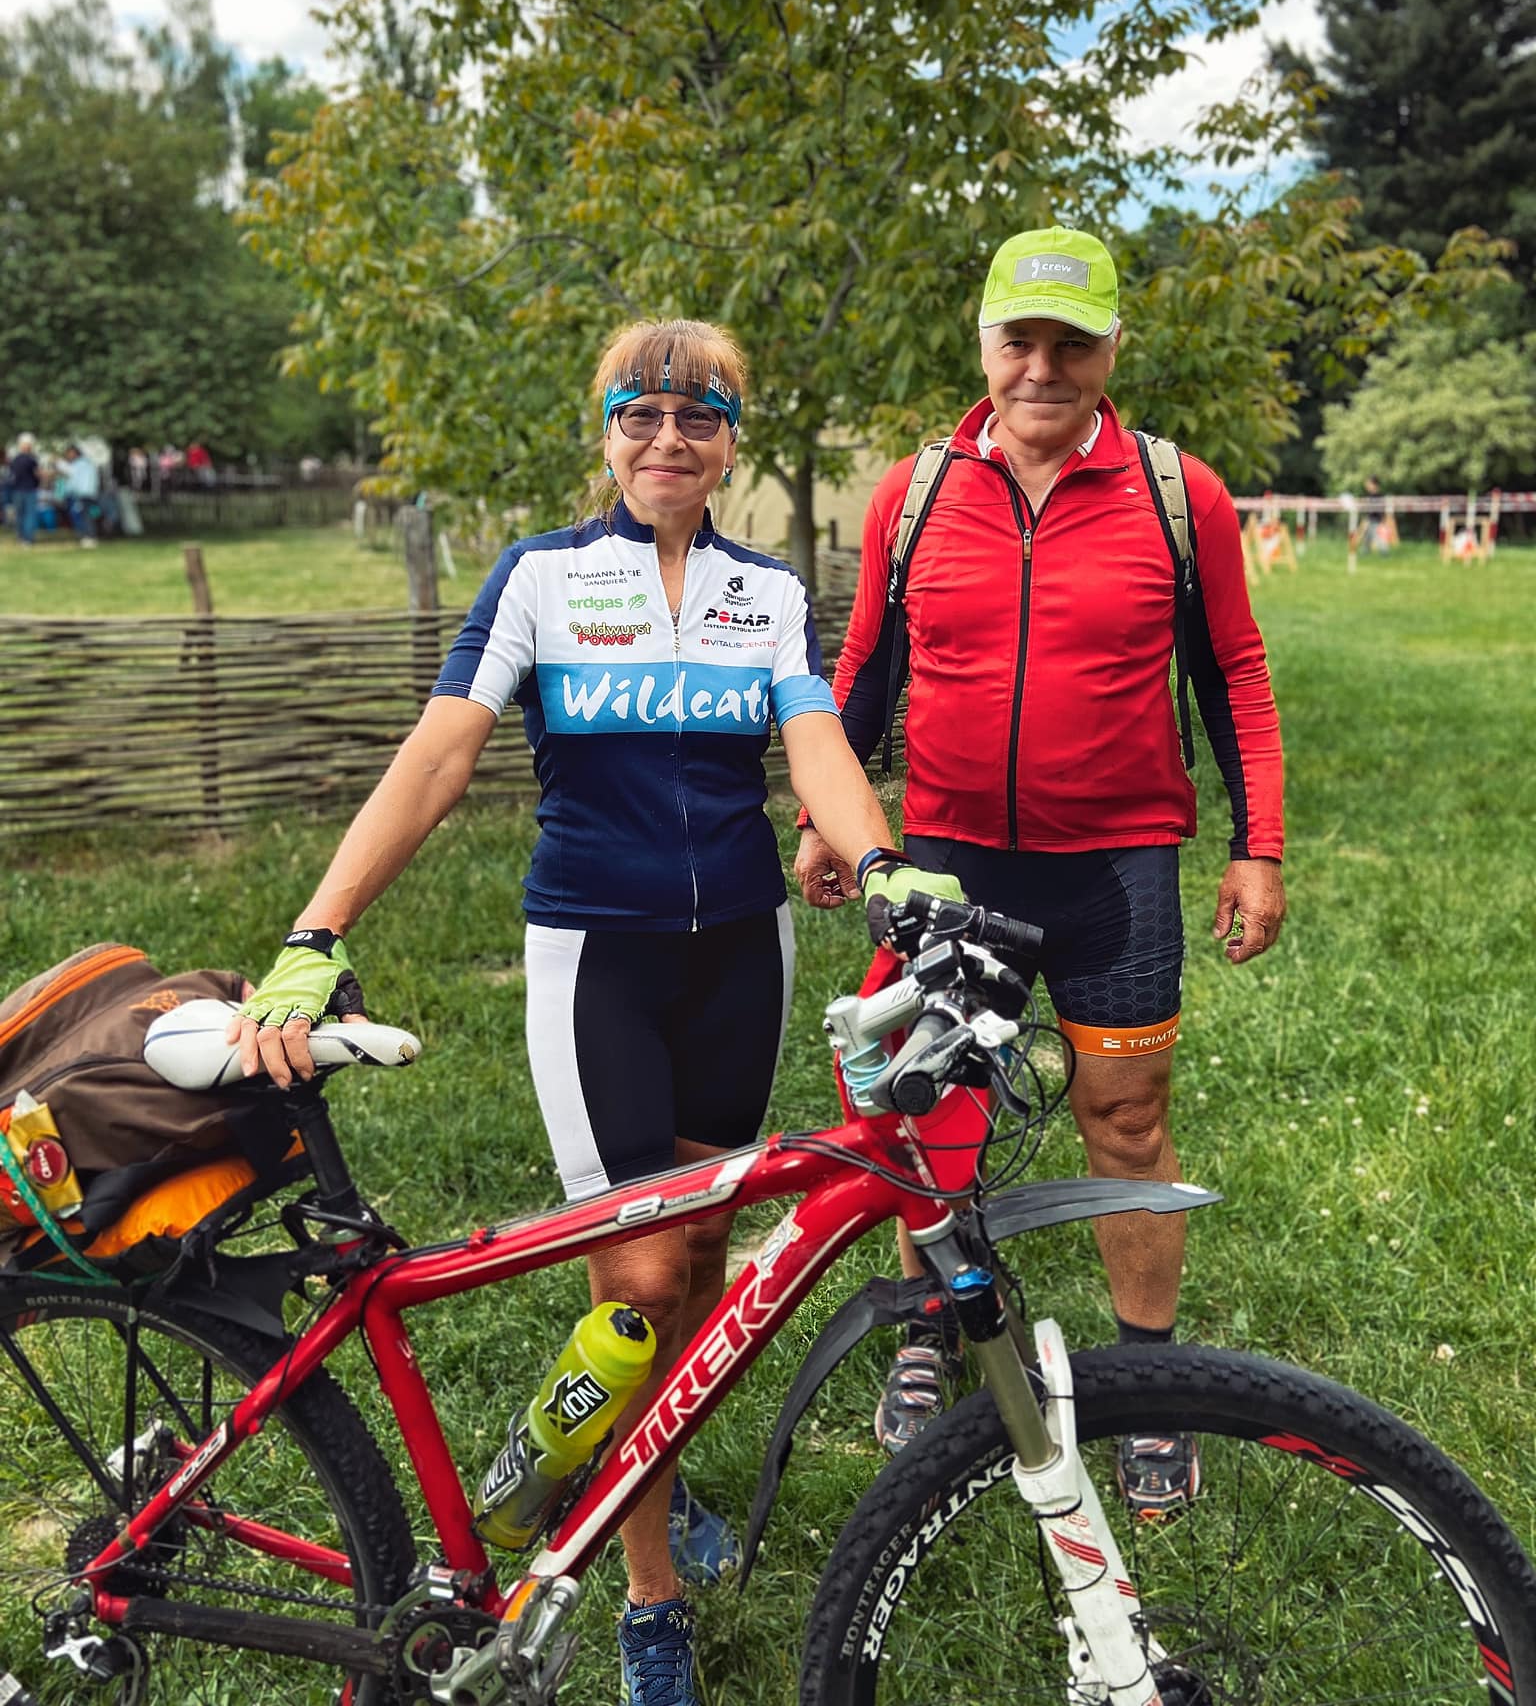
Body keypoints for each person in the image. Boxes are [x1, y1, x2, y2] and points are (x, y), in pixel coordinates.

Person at [228, 319, 902, 1706]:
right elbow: (439, 753)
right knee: (639, 1280)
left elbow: (815, 740)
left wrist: (885, 866)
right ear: (606, 432)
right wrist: (316, 930)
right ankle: (647, 1602)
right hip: (600, 960)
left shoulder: (767, 589)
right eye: (640, 413)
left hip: (744, 957)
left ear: (731, 442)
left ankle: (648, 1466)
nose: (669, 438)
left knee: (701, 1249)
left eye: (699, 416)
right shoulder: (543, 575)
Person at [795, 226, 1287, 1512]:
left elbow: (1232, 673)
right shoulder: (913, 493)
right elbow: (865, 667)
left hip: (1117, 871)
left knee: (1126, 1120)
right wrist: (825, 819)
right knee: (928, 1106)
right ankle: (926, 1324)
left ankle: (1148, 1380)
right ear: (985, 343)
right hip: (950, 864)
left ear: (1114, 347)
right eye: (1021, 339)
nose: (1043, 368)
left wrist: (1259, 845)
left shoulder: (1179, 492)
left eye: (1073, 343)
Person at [58, 444, 99, 548]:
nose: (68, 456)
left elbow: (72, 479)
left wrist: (64, 493)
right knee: (88, 515)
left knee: (82, 516)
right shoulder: (88, 463)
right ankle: (89, 536)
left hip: (81, 494)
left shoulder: (77, 465)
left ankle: (87, 537)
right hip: (90, 493)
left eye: (70, 453)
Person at [6, 436, 40, 547]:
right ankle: (28, 539)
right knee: (29, 515)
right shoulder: (31, 459)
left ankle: (21, 537)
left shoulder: (15, 460)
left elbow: (11, 476)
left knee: (20, 515)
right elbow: (37, 474)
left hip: (17, 490)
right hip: (29, 490)